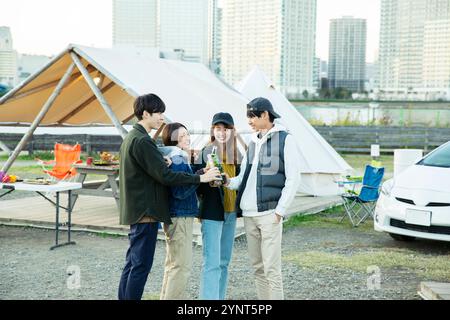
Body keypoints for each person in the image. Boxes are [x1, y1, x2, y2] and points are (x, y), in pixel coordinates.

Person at [117, 93, 220, 300]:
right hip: (146, 211)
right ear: (145, 113)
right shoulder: (142, 141)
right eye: (158, 113)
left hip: (138, 210)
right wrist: (200, 178)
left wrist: (161, 157)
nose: (162, 118)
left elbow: (155, 167)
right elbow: (165, 176)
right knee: (141, 266)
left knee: (133, 264)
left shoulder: (133, 138)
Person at [225, 97, 301, 300]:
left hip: (269, 214)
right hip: (249, 214)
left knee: (271, 269)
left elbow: (294, 178)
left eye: (252, 116)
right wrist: (226, 181)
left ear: (265, 115)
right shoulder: (253, 141)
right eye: (248, 116)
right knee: (258, 268)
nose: (248, 120)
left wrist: (279, 211)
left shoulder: (286, 139)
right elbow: (243, 178)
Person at [193, 112, 241, 300]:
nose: (222, 133)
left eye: (226, 129)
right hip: (212, 213)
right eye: (218, 128)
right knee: (211, 262)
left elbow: (241, 181)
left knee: (224, 262)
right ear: (213, 130)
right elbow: (195, 181)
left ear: (232, 131)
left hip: (230, 212)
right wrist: (205, 175)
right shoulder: (205, 151)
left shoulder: (238, 154)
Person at [159, 122, 199, 300]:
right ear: (171, 139)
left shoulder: (175, 155)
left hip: (175, 216)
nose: (186, 138)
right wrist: (200, 179)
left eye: (187, 134)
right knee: (181, 268)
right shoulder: (178, 158)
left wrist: (196, 174)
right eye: (180, 136)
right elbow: (180, 191)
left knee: (173, 265)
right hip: (180, 216)